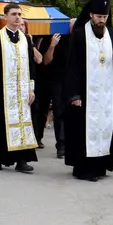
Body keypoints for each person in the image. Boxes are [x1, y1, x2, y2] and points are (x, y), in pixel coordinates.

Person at [64, 0, 113, 181]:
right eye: (98, 16)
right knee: (85, 130)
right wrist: (74, 94)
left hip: (106, 95)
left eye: (104, 16)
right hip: (86, 94)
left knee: (104, 127)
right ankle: (84, 169)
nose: (101, 20)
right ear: (90, 15)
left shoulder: (112, 35)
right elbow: (71, 66)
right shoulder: (80, 35)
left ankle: (100, 167)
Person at [0, 3, 37, 173]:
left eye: (19, 14)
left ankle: (21, 160)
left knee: (23, 122)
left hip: (21, 90)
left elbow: (31, 65)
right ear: (6, 16)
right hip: (2, 89)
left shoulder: (25, 39)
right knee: (0, 124)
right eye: (14, 14)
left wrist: (31, 88)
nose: (17, 17)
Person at [36, 20, 72, 157]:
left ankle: (64, 144)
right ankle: (40, 138)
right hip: (48, 78)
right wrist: (52, 45)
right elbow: (46, 60)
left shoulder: (77, 40)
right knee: (45, 110)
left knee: (62, 112)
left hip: (65, 80)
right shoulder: (52, 38)